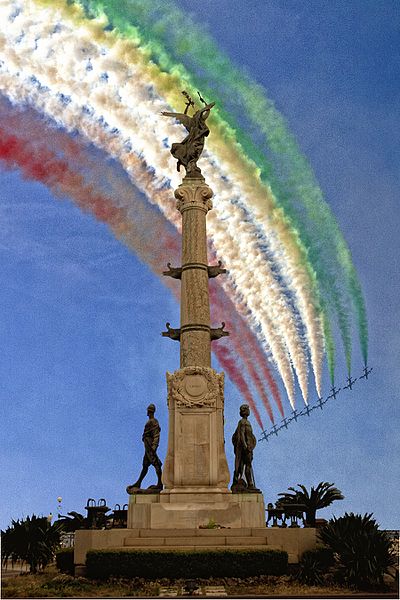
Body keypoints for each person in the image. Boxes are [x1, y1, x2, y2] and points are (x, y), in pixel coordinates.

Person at [127, 404, 163, 492]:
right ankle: (139, 482)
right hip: (147, 446)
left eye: (148, 410)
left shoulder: (153, 422)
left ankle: (160, 484)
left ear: (149, 411)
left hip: (150, 446)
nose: (146, 412)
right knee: (145, 465)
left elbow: (156, 435)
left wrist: (154, 446)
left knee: (156, 464)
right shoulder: (150, 421)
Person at [231, 404, 257, 491]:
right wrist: (245, 447)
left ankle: (249, 484)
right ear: (244, 411)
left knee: (248, 465)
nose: (249, 411)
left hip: (249, 447)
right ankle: (250, 484)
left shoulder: (247, 422)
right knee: (247, 465)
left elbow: (250, 436)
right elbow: (241, 435)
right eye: (247, 409)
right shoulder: (242, 422)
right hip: (246, 448)